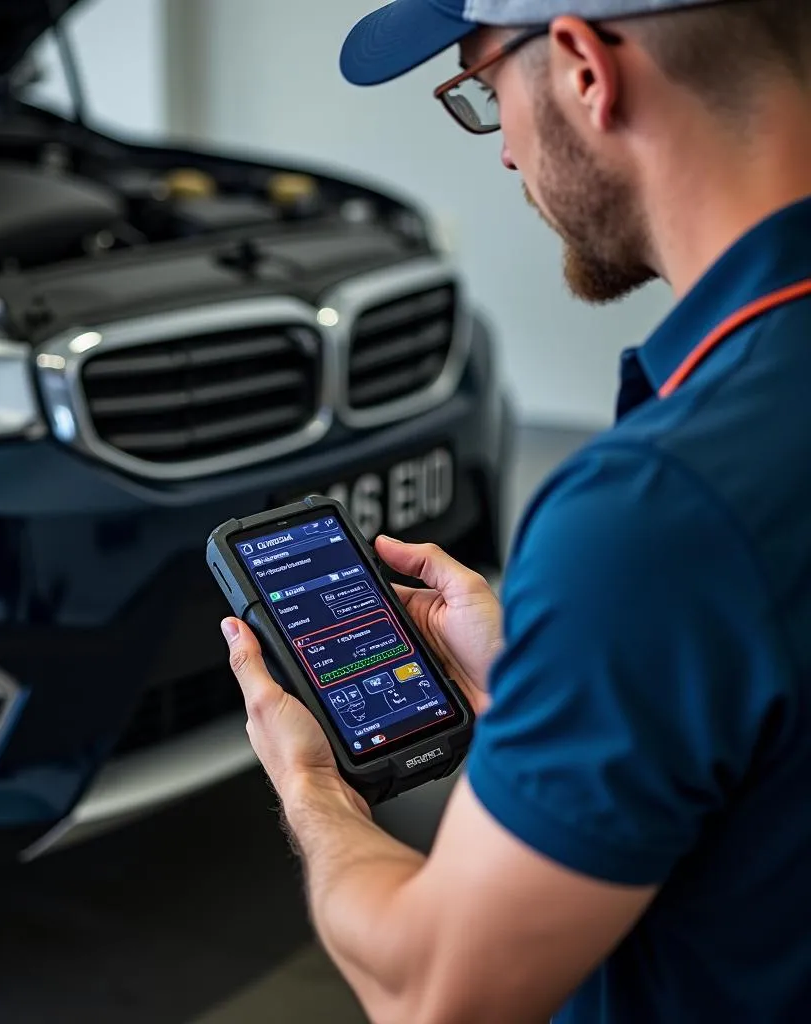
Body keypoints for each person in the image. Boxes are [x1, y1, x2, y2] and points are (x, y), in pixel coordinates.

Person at [219, 0, 811, 1020]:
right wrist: (564, 669)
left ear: (583, 67)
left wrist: (310, 783)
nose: (501, 152)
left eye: (483, 86)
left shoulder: (655, 514)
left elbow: (431, 991)